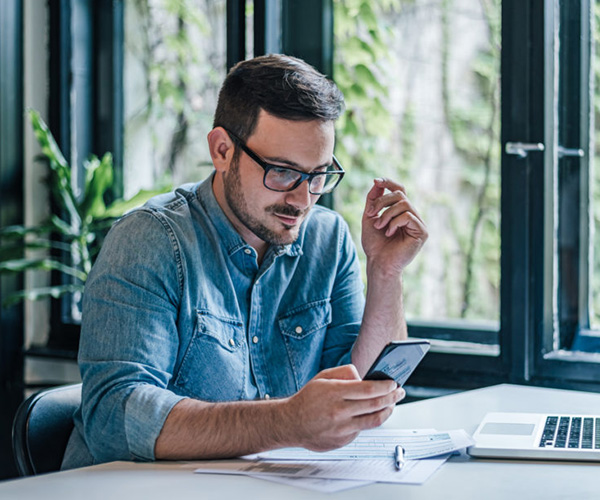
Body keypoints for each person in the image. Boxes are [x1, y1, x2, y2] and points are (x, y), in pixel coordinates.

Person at [62, 54, 428, 468]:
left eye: (319, 174)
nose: (302, 198)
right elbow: (115, 417)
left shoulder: (328, 239)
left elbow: (355, 391)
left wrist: (386, 271)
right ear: (222, 150)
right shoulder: (150, 241)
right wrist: (286, 422)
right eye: (282, 171)